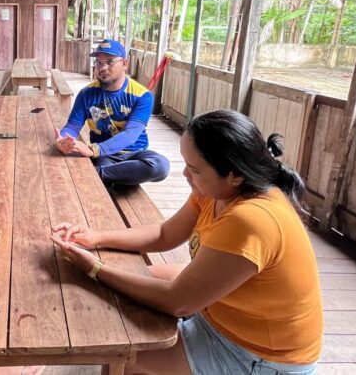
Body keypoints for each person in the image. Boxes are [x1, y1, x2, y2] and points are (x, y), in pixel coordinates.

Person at [51, 109, 323, 374]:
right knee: (128, 282)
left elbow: (178, 302)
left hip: (257, 357)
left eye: (194, 168)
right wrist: (95, 236)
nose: (185, 174)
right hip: (222, 316)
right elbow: (165, 234)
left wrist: (95, 268)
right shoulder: (220, 190)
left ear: (235, 174)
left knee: (124, 354)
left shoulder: (251, 219)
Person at [54, 38, 170, 186]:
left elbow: (131, 134)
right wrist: (63, 141)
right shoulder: (86, 94)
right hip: (106, 156)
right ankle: (113, 177)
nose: (103, 67)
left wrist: (95, 149)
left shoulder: (142, 96)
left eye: (109, 61)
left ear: (124, 64)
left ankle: (96, 175)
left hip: (135, 154)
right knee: (104, 172)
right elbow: (73, 126)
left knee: (160, 166)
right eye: (99, 62)